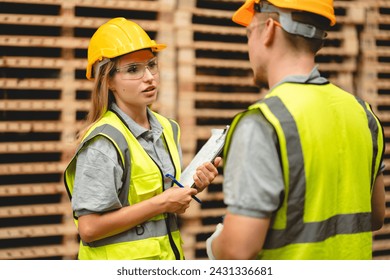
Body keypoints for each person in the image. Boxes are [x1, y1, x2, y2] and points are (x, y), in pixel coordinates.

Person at [206, 0, 386, 260]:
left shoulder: (264, 122)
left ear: (268, 29)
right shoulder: (363, 114)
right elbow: (375, 215)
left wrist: (216, 244)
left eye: (249, 32)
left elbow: (237, 251)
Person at [64, 17, 221, 260]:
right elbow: (89, 228)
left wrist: (192, 185)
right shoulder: (105, 142)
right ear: (109, 81)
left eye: (151, 65)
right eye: (133, 70)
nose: (149, 77)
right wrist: (164, 202)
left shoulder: (168, 129)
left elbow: (164, 200)